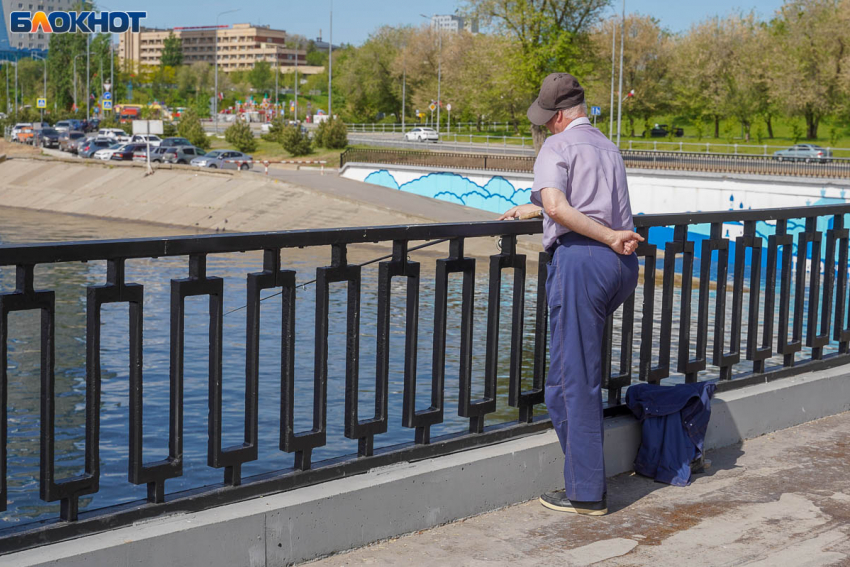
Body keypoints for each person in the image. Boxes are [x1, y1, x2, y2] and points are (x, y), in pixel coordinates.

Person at [500, 72, 643, 516]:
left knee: (573, 382)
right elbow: (577, 201)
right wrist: (540, 208)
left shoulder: (556, 146)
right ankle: (585, 477)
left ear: (560, 115)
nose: (545, 125)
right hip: (620, 268)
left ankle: (586, 493)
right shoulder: (608, 146)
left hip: (584, 261)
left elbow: (560, 206)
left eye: (547, 117)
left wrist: (556, 213)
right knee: (568, 378)